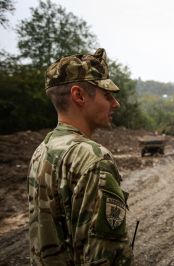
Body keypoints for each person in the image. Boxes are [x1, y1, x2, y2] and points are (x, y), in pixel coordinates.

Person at [27, 48, 132, 265]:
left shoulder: (42, 150)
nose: (116, 104)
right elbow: (104, 258)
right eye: (107, 95)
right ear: (79, 95)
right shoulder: (93, 158)